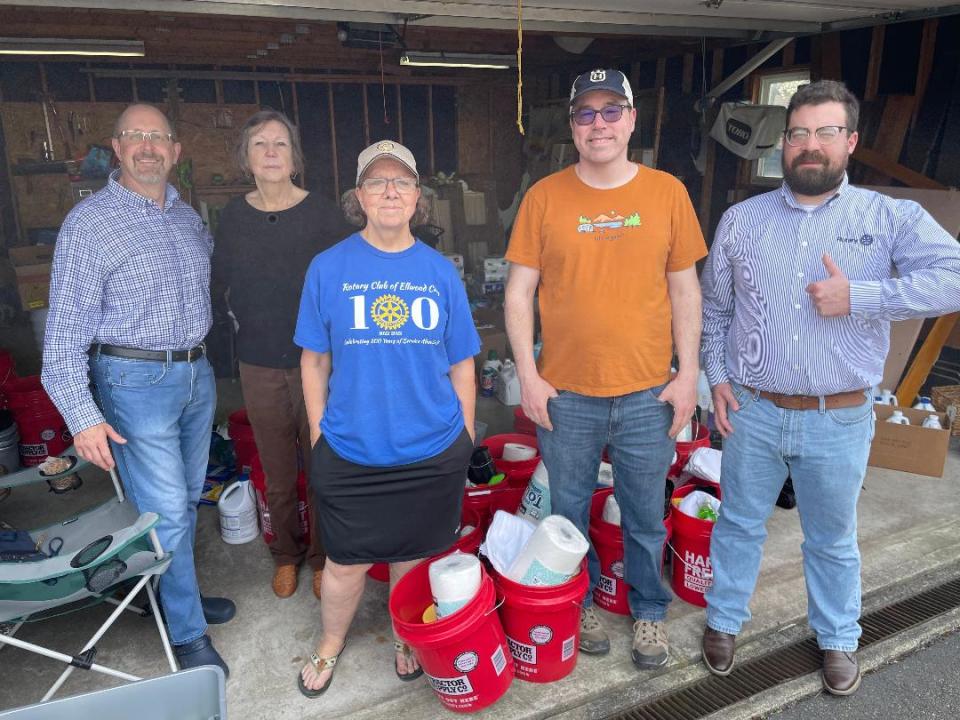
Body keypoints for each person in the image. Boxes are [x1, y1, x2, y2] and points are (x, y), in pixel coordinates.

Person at [700, 79, 960, 696]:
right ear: (783, 144)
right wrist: (716, 377)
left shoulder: (887, 218)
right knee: (737, 523)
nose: (809, 146)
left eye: (825, 132)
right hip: (755, 410)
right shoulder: (741, 221)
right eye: (798, 134)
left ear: (851, 141)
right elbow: (713, 312)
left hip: (838, 416)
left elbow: (954, 277)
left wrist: (863, 296)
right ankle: (724, 619)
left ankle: (839, 637)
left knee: (833, 538)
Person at [505, 69, 707, 668]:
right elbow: (519, 293)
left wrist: (688, 373)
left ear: (632, 120)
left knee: (646, 514)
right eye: (586, 114)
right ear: (572, 126)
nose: (599, 124)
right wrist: (529, 375)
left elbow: (685, 292)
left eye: (611, 111)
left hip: (649, 391)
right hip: (566, 392)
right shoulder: (544, 196)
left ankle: (648, 612)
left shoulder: (667, 192)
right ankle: (581, 601)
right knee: (567, 511)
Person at [41, 103, 233, 676]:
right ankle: (187, 633)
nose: (148, 146)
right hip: (133, 382)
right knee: (169, 511)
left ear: (175, 151)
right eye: (136, 136)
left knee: (185, 499)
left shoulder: (186, 216)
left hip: (195, 376)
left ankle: (173, 596)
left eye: (159, 137)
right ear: (117, 149)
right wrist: (81, 416)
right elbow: (60, 341)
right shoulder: (89, 225)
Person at [294, 140, 479, 697]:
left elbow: (463, 362)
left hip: (430, 447)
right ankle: (330, 645)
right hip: (352, 448)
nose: (390, 191)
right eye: (377, 182)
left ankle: (405, 632)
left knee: (412, 554)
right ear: (359, 196)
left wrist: (465, 437)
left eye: (401, 182)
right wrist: (319, 433)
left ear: (418, 198)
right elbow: (314, 360)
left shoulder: (439, 272)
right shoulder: (328, 268)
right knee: (346, 563)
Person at [212, 110, 349, 600]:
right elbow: (221, 283)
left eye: (280, 144)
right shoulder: (232, 217)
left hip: (319, 362)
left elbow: (343, 284)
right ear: (246, 158)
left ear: (295, 157)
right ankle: (286, 556)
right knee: (276, 472)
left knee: (322, 465)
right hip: (259, 361)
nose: (271, 152)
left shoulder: (324, 214)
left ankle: (323, 556)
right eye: (260, 144)